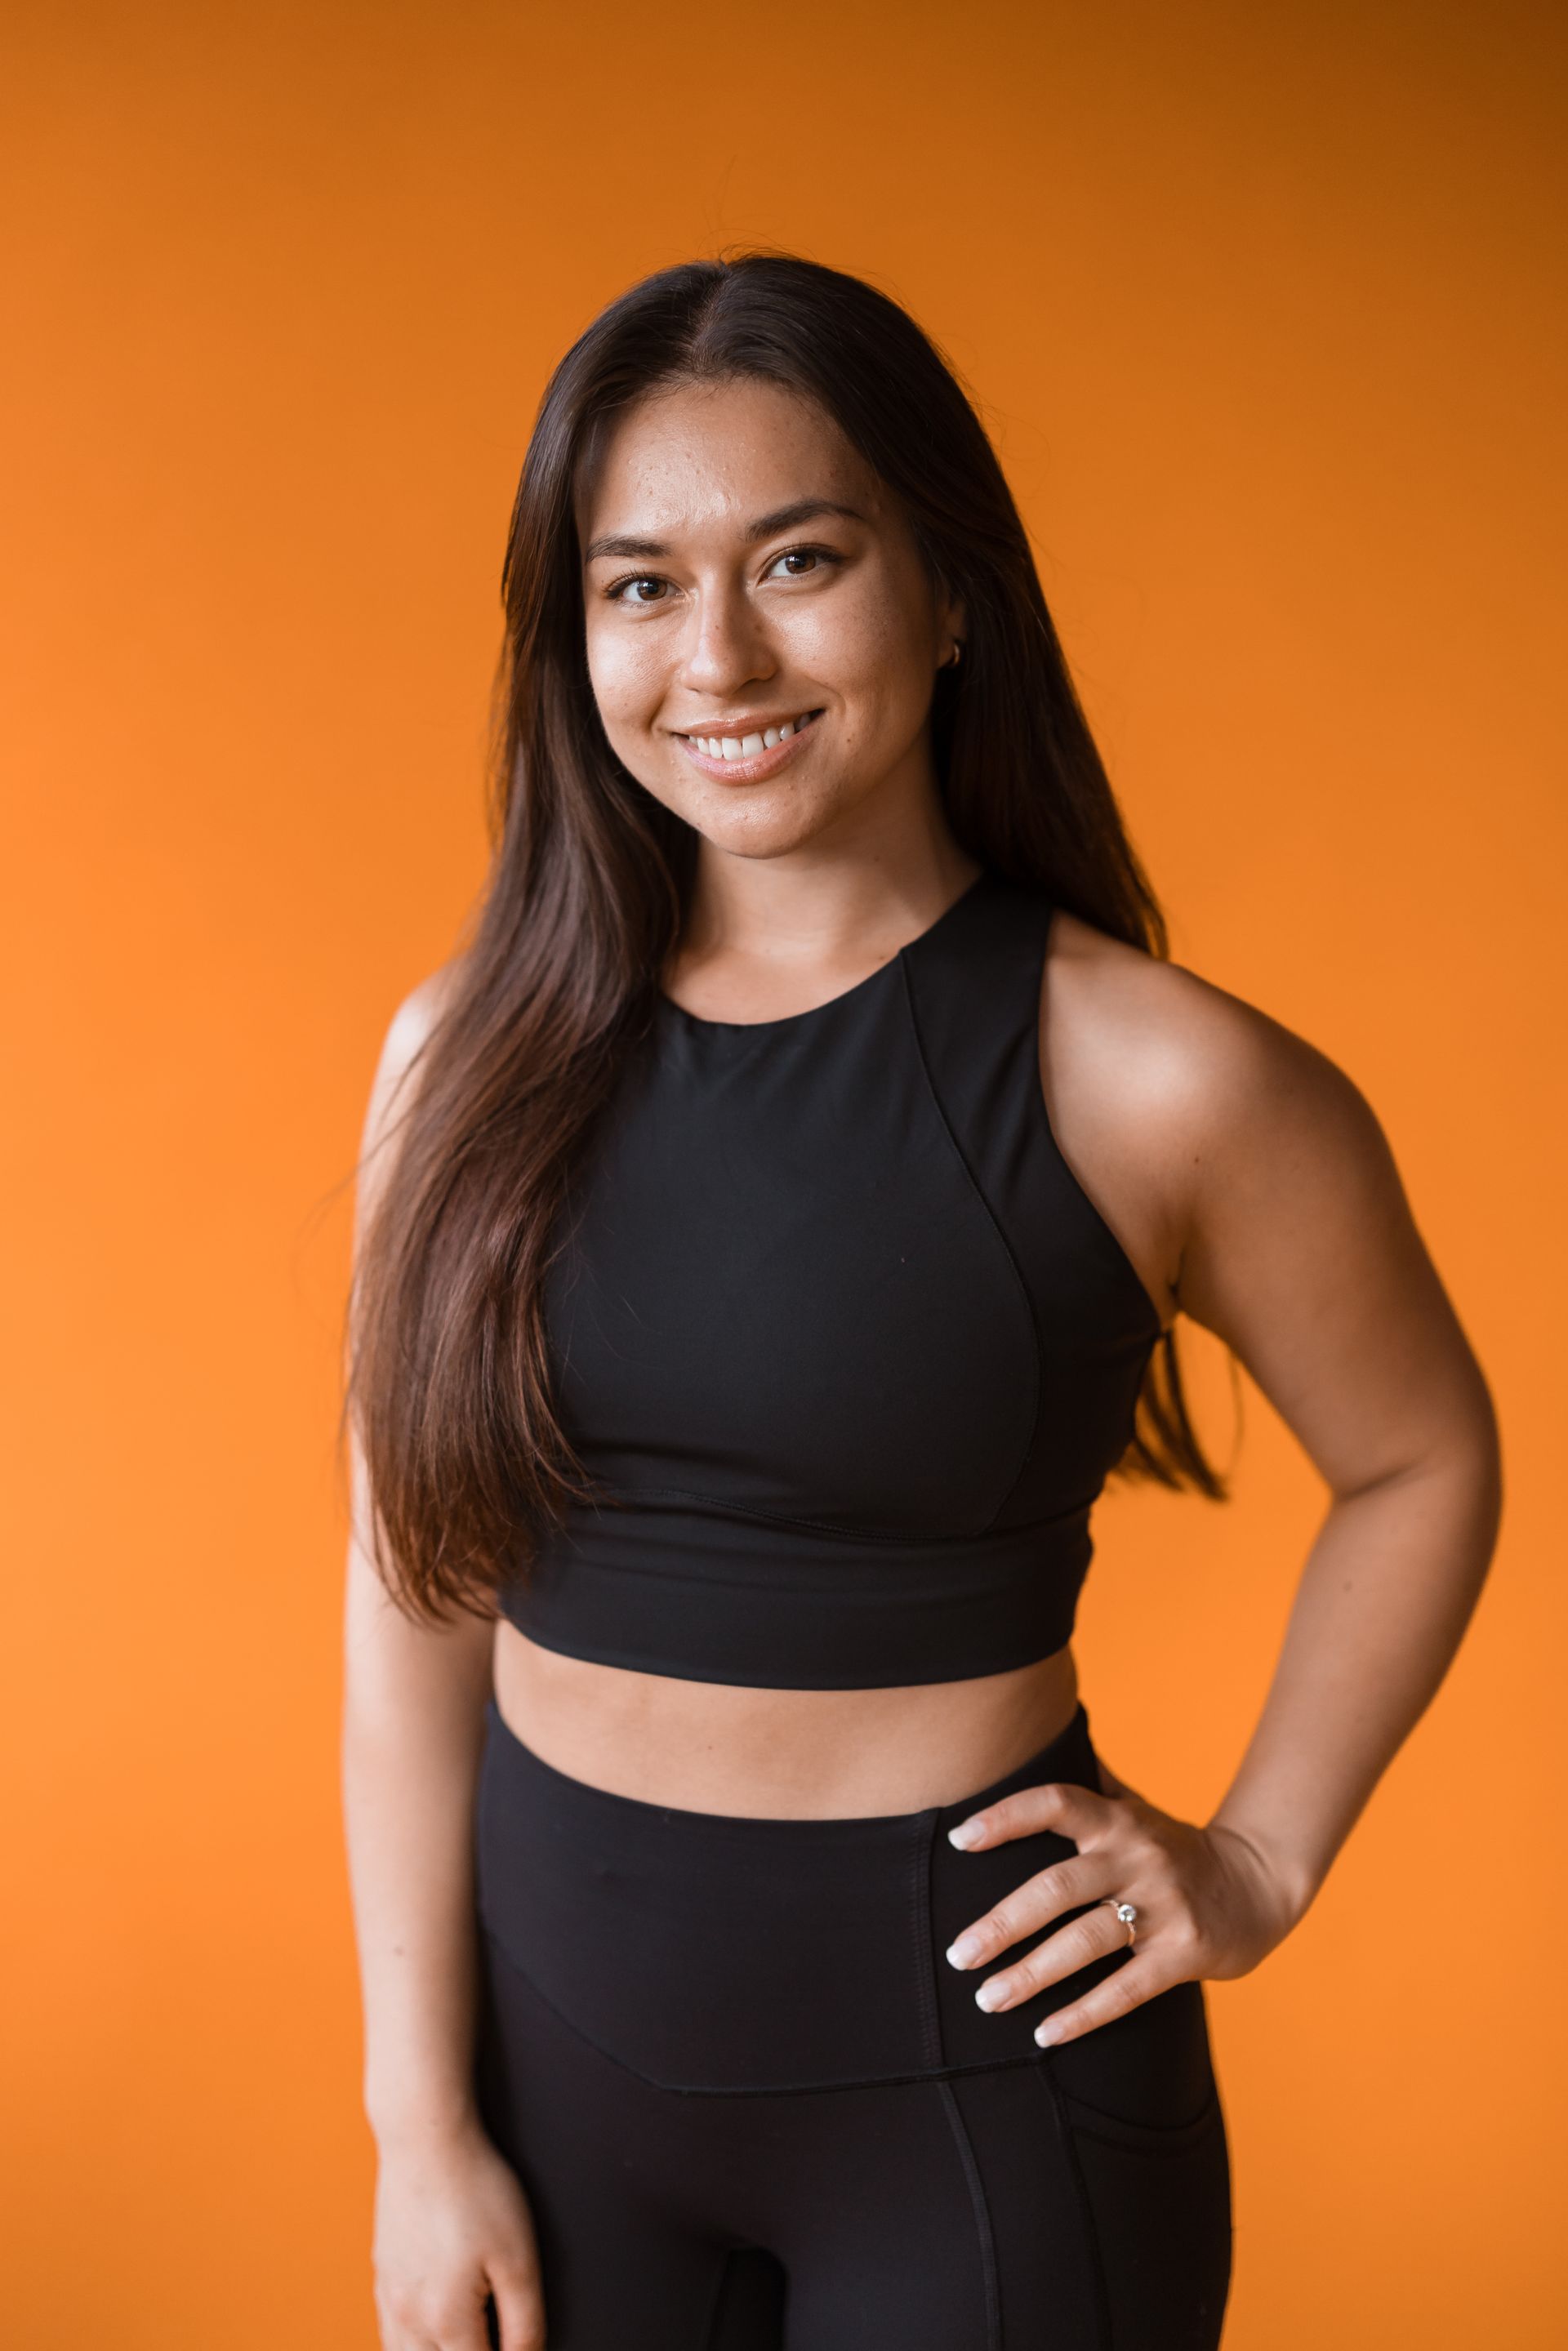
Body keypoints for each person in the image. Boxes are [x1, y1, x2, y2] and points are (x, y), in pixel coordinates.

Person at [339, 255, 1500, 2351]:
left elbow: (1422, 1457)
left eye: (801, 559)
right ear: (569, 637)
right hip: (553, 2081)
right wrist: (418, 2120)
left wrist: (1257, 1861)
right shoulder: (461, 1061)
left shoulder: (1160, 1077)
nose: (720, 655)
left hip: (977, 2096)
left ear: (952, 595)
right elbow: (414, 1592)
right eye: (638, 585)